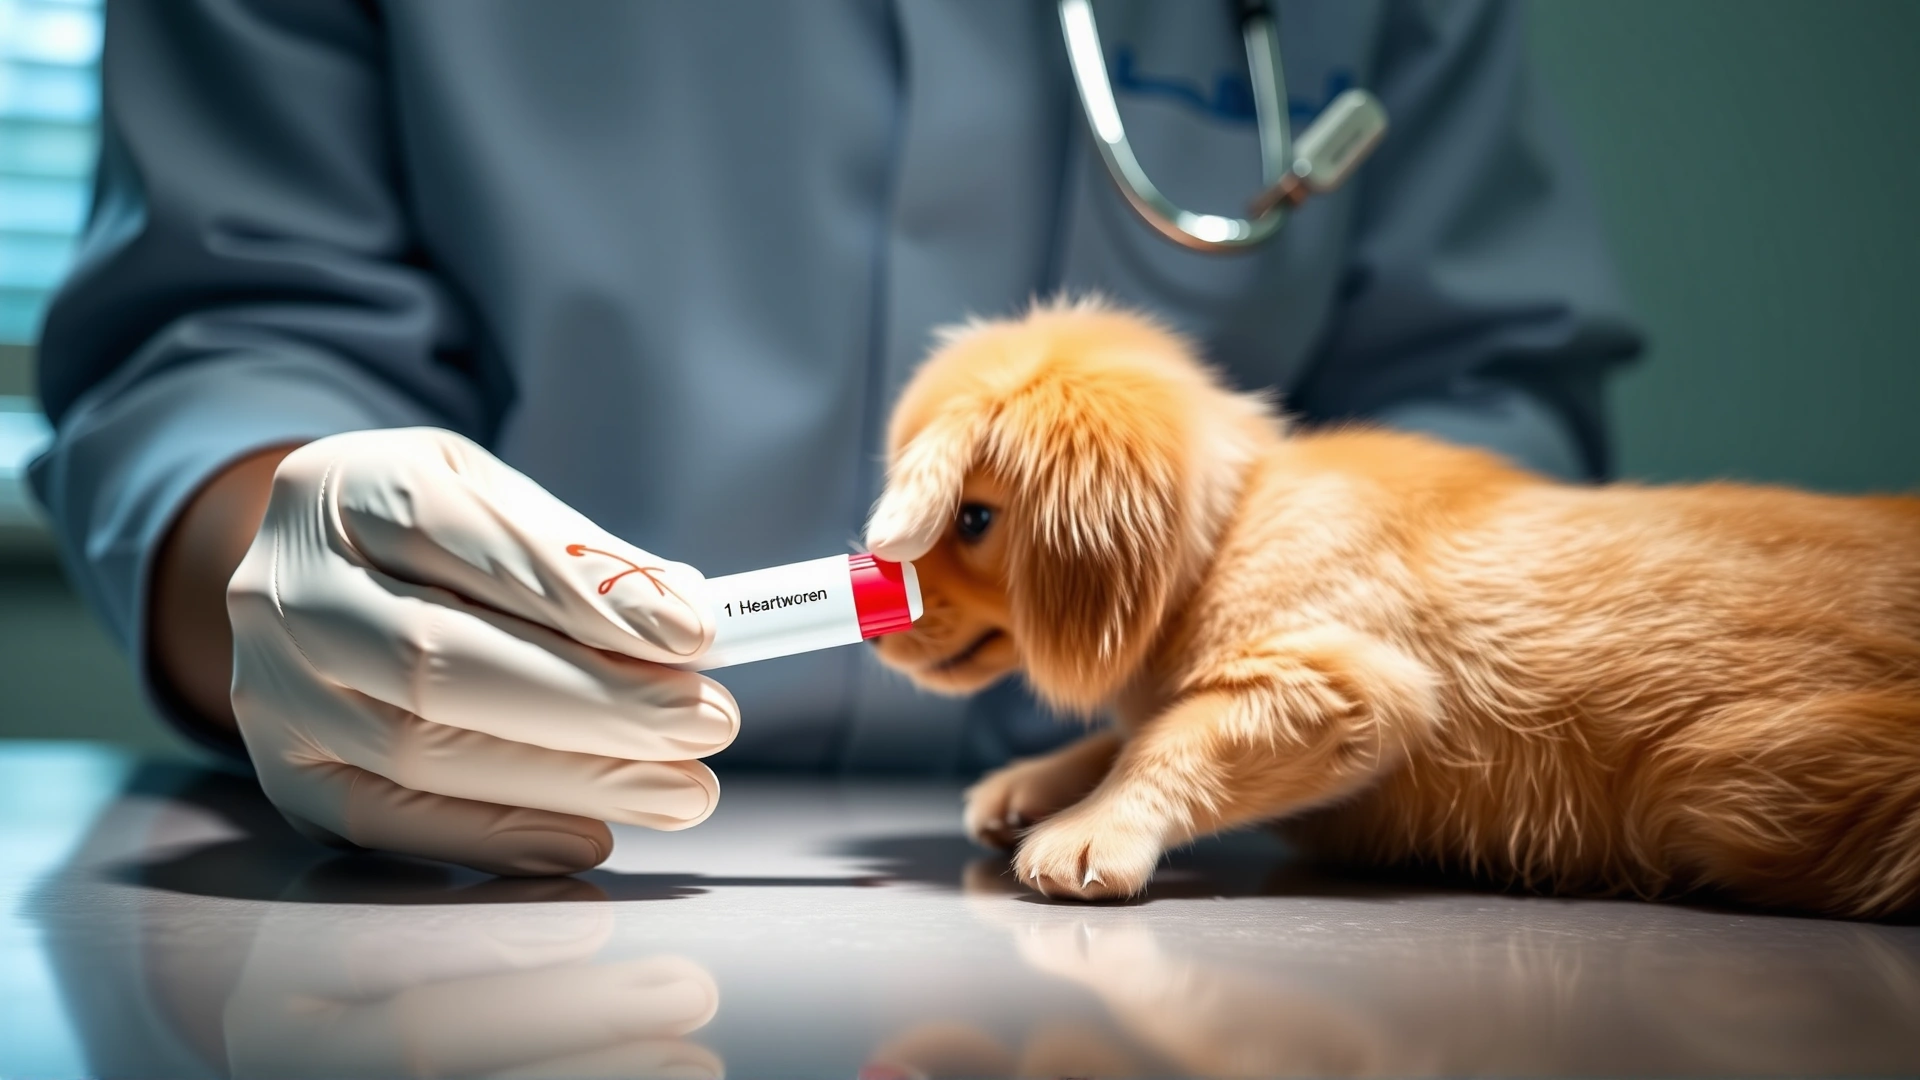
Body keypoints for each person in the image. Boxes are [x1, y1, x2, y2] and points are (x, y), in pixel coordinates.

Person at [29, 1, 1641, 875]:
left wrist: (1223, 641)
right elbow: (219, 336)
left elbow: (1491, 395)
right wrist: (302, 568)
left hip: (1243, 894)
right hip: (459, 871)